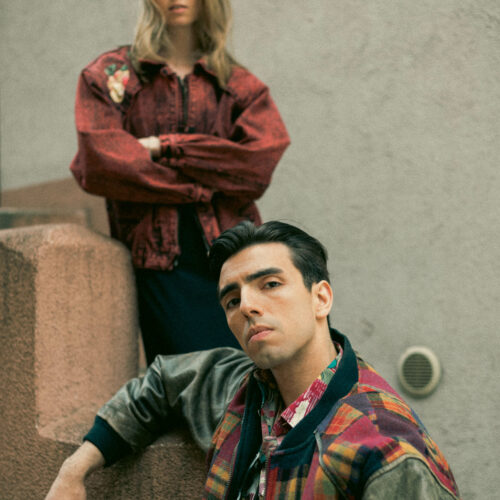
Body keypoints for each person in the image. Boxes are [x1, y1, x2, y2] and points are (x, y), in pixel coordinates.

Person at [46, 221, 460, 499]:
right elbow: (160, 382)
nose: (246, 306)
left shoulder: (386, 451)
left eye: (270, 284)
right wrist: (74, 472)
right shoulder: (243, 392)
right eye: (232, 299)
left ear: (321, 298)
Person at [70, 0, 290, 362]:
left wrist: (163, 147)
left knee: (255, 374)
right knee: (193, 378)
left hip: (238, 258)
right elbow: (101, 162)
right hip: (160, 265)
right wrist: (205, 183)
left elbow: (257, 163)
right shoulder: (111, 75)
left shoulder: (238, 84)